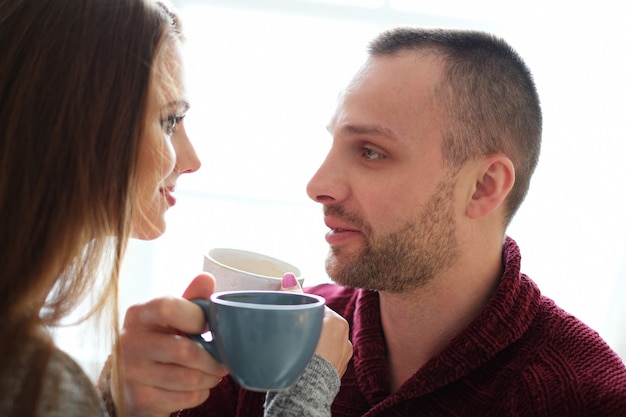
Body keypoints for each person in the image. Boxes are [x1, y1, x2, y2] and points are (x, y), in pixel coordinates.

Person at [117, 27, 626, 416]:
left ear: (484, 186)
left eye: (371, 152)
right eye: (335, 144)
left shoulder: (590, 397)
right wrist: (129, 402)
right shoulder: (269, 342)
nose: (318, 184)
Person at [0, 0, 351, 416]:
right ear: (77, 124)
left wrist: (118, 405)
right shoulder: (31, 377)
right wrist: (304, 396)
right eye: (170, 121)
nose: (192, 160)